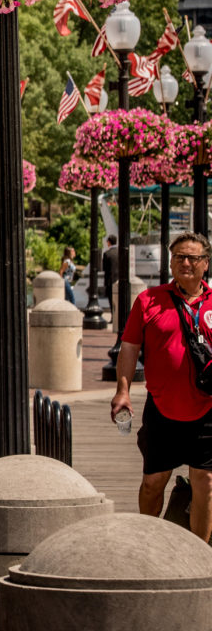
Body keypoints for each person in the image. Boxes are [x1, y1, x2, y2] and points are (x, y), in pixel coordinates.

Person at [111, 232, 212, 542]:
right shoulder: (149, 300)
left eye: (193, 258)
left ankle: (200, 556)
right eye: (179, 256)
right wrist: (123, 390)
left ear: (204, 264)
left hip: (207, 409)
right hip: (162, 409)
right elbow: (129, 348)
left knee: (205, 482)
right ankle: (148, 544)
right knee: (153, 482)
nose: (185, 262)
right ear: (170, 262)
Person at [103, 234, 118, 306]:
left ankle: (113, 315)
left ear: (109, 242)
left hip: (110, 281)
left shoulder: (107, 254)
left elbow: (104, 268)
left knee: (111, 301)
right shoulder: (120, 252)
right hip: (120, 281)